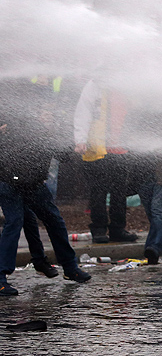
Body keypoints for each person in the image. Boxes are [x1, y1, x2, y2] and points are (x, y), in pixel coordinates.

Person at [0, 102, 91, 295]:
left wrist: (76, 147)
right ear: (34, 115)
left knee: (54, 221)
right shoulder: (24, 131)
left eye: (50, 113)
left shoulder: (44, 132)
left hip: (33, 184)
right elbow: (57, 150)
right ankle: (0, 277)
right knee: (14, 223)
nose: (48, 116)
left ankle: (69, 268)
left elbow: (62, 153)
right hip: (9, 184)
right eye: (44, 113)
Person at [73, 80, 138, 243]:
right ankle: (99, 229)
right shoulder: (94, 86)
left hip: (120, 148)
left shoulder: (126, 86)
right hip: (99, 148)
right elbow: (83, 112)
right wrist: (80, 139)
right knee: (98, 191)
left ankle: (117, 229)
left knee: (119, 192)